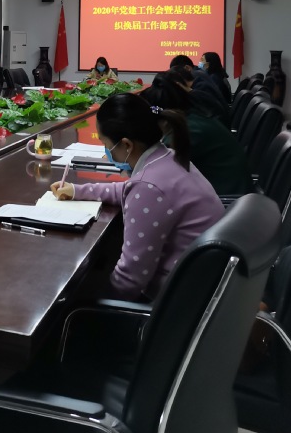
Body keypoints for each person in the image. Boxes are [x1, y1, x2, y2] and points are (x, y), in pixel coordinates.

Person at [51, 93, 224, 301]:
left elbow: (129, 281)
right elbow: (128, 190)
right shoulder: (167, 158)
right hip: (204, 283)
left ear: (126, 145)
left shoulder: (149, 187)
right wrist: (77, 191)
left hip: (177, 300)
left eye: (106, 144)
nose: (106, 151)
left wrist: (83, 301)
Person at [140, 72, 251, 196]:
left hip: (227, 199)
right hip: (231, 194)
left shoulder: (187, 131)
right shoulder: (194, 118)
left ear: (165, 118)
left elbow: (154, 174)